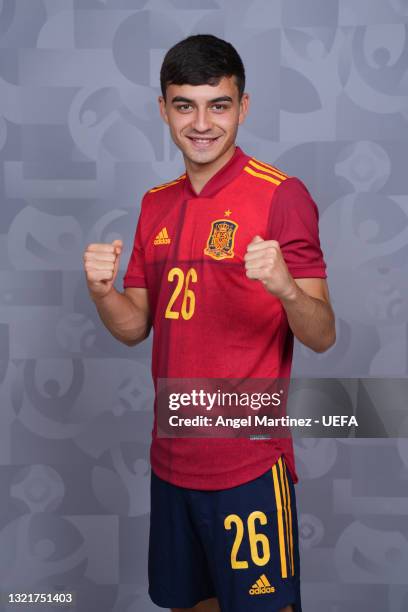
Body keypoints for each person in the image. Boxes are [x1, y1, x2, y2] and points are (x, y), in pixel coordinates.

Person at [84, 34, 335, 612]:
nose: (202, 123)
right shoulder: (156, 203)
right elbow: (134, 326)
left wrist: (286, 289)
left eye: (218, 105)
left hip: (249, 461)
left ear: (242, 107)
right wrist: (103, 294)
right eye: (184, 105)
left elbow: (322, 334)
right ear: (163, 108)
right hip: (172, 460)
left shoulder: (282, 196)